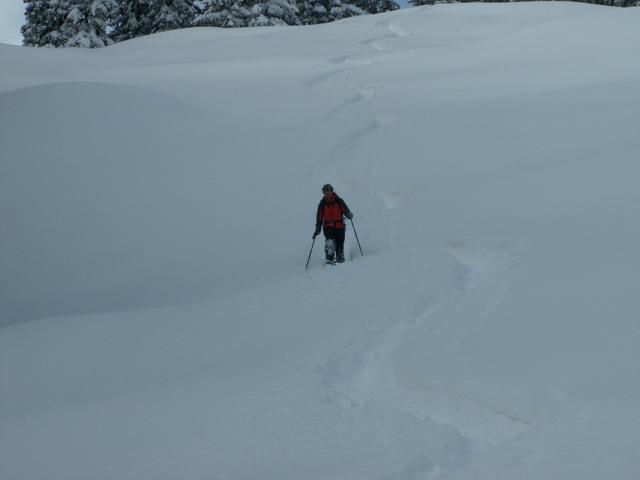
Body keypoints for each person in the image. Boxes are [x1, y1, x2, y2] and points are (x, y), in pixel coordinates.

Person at [313, 184, 353, 264]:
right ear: (323, 192)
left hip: (339, 226)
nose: (327, 193)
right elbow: (319, 217)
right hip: (328, 227)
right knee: (330, 242)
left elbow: (345, 210)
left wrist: (348, 214)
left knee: (339, 243)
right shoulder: (322, 204)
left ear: (332, 191)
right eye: (325, 191)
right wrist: (318, 229)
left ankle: (340, 256)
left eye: (329, 191)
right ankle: (329, 258)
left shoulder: (339, 201)